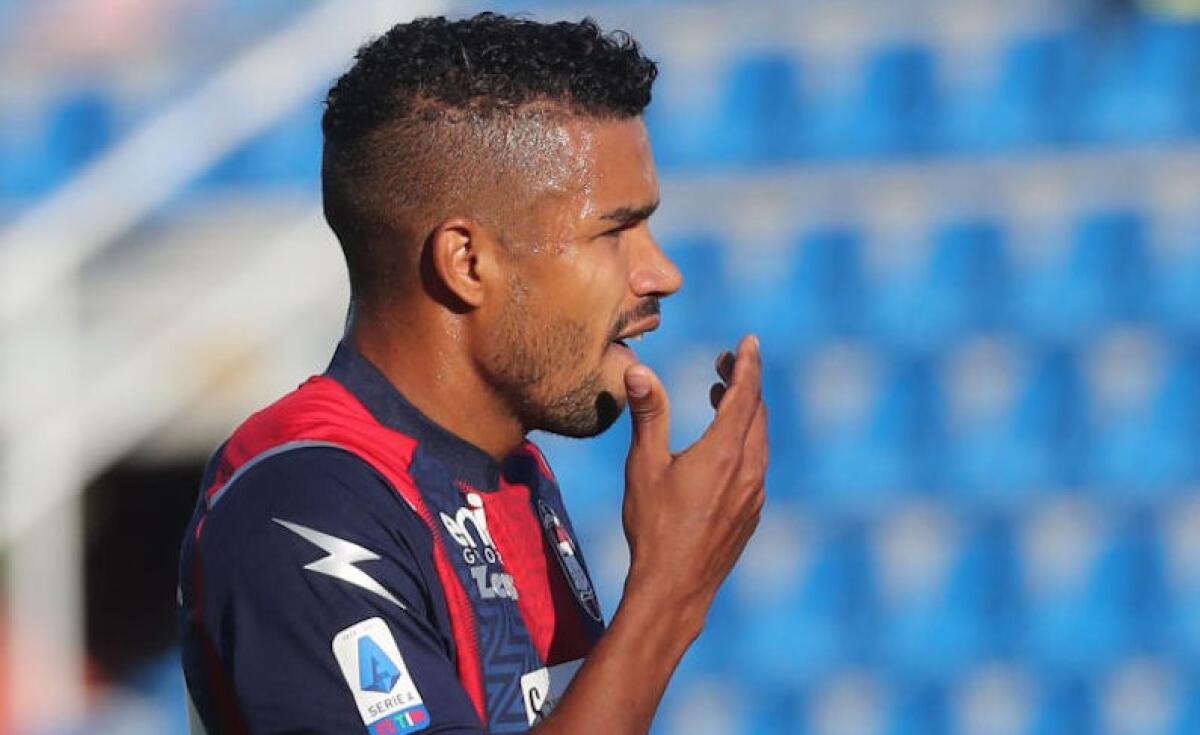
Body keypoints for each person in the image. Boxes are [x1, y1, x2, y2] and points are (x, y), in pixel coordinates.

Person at [179, 12, 768, 735]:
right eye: (615, 231)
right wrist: (670, 590)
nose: (663, 273)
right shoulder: (302, 503)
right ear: (467, 263)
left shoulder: (515, 475)